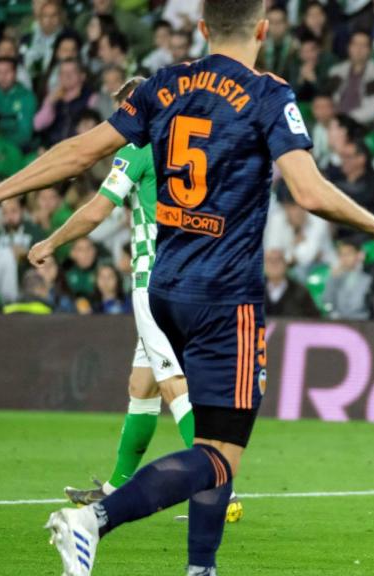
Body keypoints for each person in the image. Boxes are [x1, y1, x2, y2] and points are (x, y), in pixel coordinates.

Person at [0, 2, 374, 574]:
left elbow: (80, 151)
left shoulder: (163, 84)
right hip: (225, 295)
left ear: (203, 28)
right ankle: (95, 520)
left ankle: (200, 569)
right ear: (262, 29)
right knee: (219, 456)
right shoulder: (268, 93)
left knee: (203, 436)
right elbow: (308, 192)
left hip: (164, 286)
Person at [26, 76, 245, 521]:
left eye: (127, 105)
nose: (121, 116)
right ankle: (116, 485)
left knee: (172, 385)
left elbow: (95, 211)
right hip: (194, 278)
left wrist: (50, 243)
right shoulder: (194, 149)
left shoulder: (137, 150)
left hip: (155, 282)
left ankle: (221, 487)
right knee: (141, 385)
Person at [0, 57, 38, 150]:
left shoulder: (27, 98)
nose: (3, 76)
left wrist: (0, 145)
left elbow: (25, 133)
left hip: (18, 149)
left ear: (15, 73)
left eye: (7, 72)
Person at [322, 237, 372, 320]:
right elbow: (327, 301)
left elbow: (360, 307)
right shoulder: (336, 277)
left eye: (348, 254)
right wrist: (333, 279)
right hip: (338, 322)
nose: (344, 258)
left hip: (361, 323)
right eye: (341, 255)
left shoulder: (368, 278)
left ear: (360, 255)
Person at [262, 248, 320, 317]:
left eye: (278, 260)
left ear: (285, 264)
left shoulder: (301, 292)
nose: (274, 264)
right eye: (270, 260)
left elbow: (315, 320)